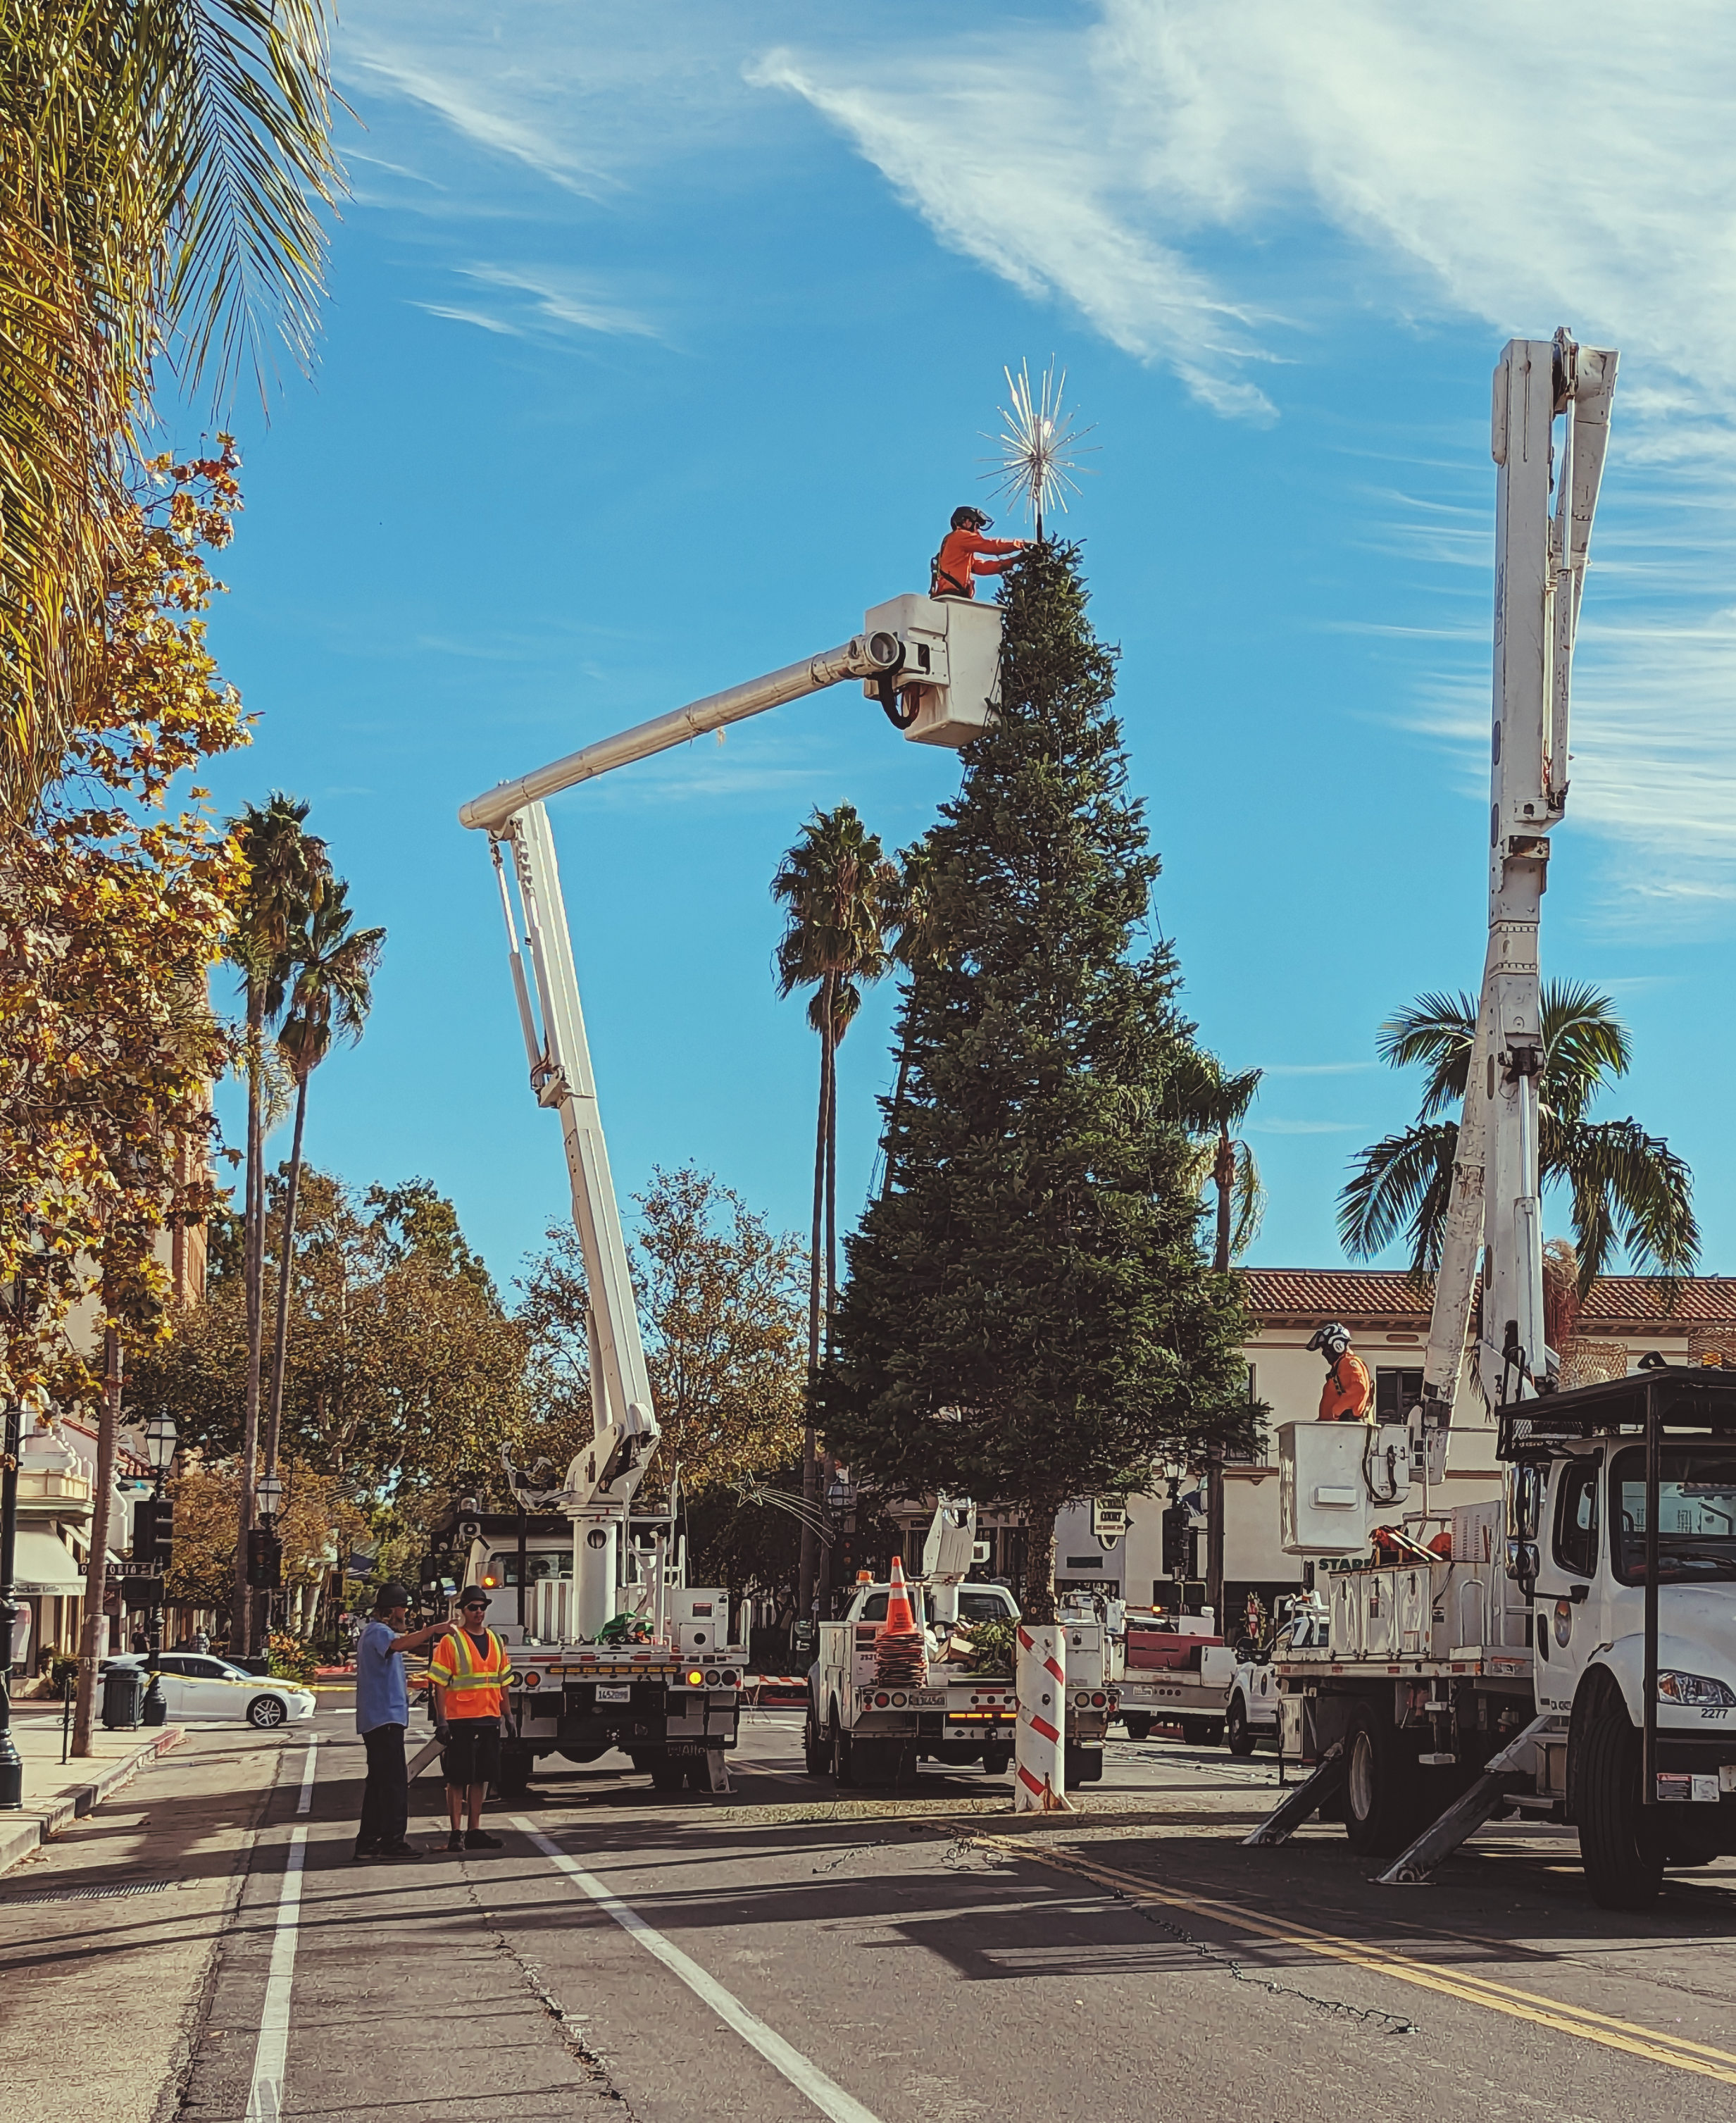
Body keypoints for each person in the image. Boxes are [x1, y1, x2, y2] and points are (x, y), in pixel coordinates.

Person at [354, 1581, 445, 1861]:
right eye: (404, 1609)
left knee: (379, 1785)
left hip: (382, 1720)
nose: (407, 1615)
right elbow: (397, 1645)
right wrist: (432, 1631)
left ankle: (368, 1843)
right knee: (394, 1784)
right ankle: (392, 1841)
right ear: (392, 1610)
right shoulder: (379, 1632)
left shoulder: (376, 1634)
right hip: (384, 1722)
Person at [428, 1588, 516, 1853]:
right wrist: (442, 1720)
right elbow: (439, 1685)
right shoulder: (451, 1642)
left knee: (482, 1778)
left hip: (489, 1717)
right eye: (473, 1608)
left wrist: (508, 1714)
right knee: (458, 1778)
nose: (479, 1612)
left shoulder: (495, 1640)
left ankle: (474, 1829)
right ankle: (456, 1832)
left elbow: (503, 1682)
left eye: (482, 1607)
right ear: (462, 1610)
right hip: (461, 1720)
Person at [930, 506, 1027, 599]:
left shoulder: (957, 545)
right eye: (977, 525)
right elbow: (991, 546)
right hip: (953, 594)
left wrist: (1014, 561)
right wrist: (1021, 544)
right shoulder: (960, 536)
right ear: (966, 522)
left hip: (955, 596)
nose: (978, 530)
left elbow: (981, 567)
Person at [1306, 1322, 1374, 1423]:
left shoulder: (1348, 1363)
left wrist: (1337, 1412)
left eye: (1326, 1348)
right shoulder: (1340, 1366)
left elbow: (1359, 1389)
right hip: (1334, 1427)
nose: (1324, 1352)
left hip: (1343, 1428)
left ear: (1337, 1345)